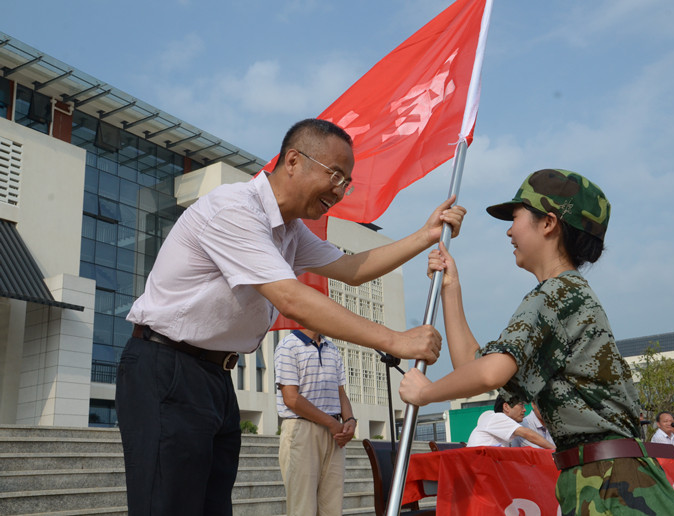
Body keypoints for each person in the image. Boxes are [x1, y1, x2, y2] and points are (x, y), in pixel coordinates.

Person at [115, 118, 466, 516]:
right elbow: (291, 299)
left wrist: (426, 235)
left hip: (214, 377)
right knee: (168, 506)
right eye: (335, 175)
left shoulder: (290, 232)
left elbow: (352, 270)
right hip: (167, 368)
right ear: (294, 161)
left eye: (346, 181)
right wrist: (394, 340)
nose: (339, 189)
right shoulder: (234, 209)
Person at [399, 169, 674, 515]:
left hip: (612, 486)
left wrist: (424, 392)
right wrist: (450, 288)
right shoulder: (567, 294)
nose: (508, 230)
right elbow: (474, 368)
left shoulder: (555, 295)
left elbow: (490, 374)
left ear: (548, 223)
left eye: (515, 218)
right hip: (607, 479)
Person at [275, 328, 355, 515]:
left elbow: (340, 392)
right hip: (302, 429)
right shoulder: (288, 346)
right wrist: (331, 423)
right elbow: (291, 399)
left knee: (333, 507)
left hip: (334, 432)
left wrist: (350, 419)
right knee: (303, 508)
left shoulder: (332, 348)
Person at [467, 396, 555, 449]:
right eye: (521, 405)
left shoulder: (500, 424)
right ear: (506, 407)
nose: (524, 410)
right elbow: (527, 434)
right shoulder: (498, 417)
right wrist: (554, 449)